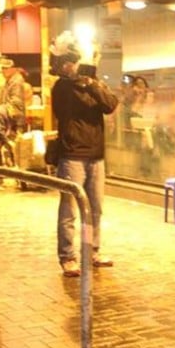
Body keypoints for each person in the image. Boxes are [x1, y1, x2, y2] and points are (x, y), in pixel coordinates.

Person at [50, 33, 119, 277]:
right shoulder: (61, 87)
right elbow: (65, 110)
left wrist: (90, 83)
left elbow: (110, 104)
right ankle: (67, 256)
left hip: (96, 155)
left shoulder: (94, 85)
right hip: (72, 156)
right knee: (69, 209)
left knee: (95, 209)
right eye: (69, 62)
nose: (72, 66)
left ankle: (92, 250)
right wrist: (76, 80)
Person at [0, 56, 28, 131]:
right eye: (2, 68)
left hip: (15, 122)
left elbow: (16, 103)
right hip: (10, 120)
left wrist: (0, 110)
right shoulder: (9, 81)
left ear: (14, 69)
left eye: (6, 68)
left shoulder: (16, 81)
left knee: (16, 141)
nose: (3, 71)